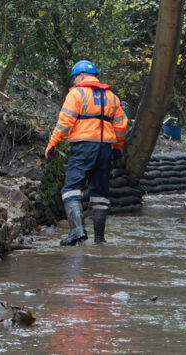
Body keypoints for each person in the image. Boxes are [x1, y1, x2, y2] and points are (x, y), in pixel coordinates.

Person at [45, 60, 128, 245]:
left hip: (83, 145)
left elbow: (64, 121)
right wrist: (117, 147)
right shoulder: (112, 97)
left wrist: (53, 143)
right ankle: (99, 239)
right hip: (105, 147)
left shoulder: (77, 93)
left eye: (75, 78)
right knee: (99, 192)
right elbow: (121, 126)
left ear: (81, 76)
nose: (74, 82)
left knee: (71, 188)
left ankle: (77, 232)